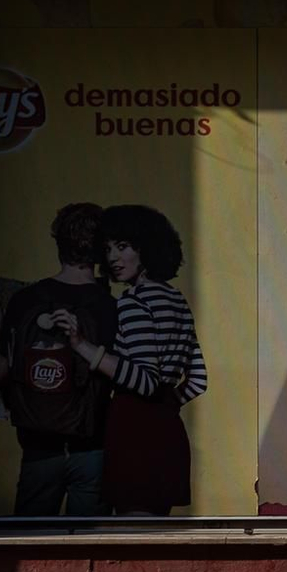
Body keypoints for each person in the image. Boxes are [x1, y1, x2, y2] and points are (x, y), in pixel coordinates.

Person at [57, 205, 207, 516]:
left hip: (136, 435)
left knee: (133, 540)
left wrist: (82, 346)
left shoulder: (132, 301)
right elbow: (198, 379)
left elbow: (145, 381)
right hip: (168, 432)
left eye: (122, 247)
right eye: (108, 248)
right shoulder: (177, 300)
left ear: (146, 247)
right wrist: (168, 404)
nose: (112, 258)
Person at [0, 202, 115, 517]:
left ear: (58, 244)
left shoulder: (23, 300)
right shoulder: (109, 306)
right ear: (100, 251)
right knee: (90, 551)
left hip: (38, 447)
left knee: (32, 546)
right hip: (92, 447)